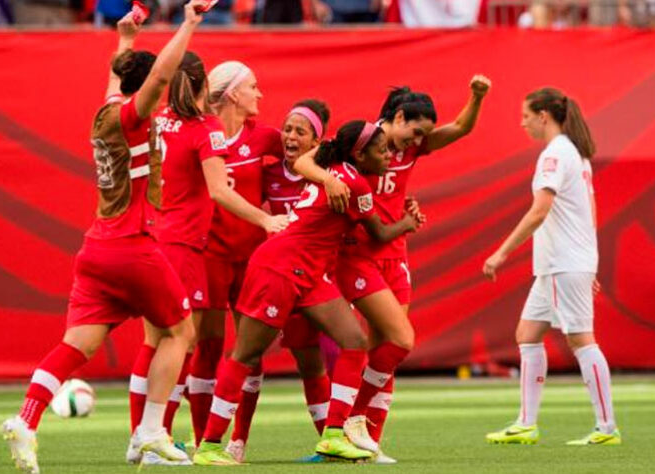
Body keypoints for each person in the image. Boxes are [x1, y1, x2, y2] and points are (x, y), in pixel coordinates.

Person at [1, 4, 207, 472]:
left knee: (77, 345)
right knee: (180, 332)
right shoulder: (133, 116)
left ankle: (26, 420)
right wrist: (190, 22)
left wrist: (126, 40)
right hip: (132, 245)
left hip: (96, 248)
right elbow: (158, 79)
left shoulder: (107, 110)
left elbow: (119, 81)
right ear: (147, 84)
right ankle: (152, 430)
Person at [192, 120, 422, 465]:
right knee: (245, 355)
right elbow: (378, 235)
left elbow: (307, 163)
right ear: (359, 154)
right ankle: (209, 446)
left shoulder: (333, 170)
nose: (389, 155)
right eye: (381, 150)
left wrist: (328, 177)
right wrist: (408, 223)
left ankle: (333, 436)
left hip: (308, 273)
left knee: (354, 342)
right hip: (279, 269)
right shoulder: (354, 183)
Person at [295, 76, 491, 462]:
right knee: (396, 340)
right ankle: (350, 422)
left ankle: (368, 441)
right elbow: (304, 161)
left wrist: (476, 95)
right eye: (415, 131)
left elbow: (462, 128)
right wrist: (329, 180)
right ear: (399, 116)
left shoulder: (413, 147)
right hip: (358, 253)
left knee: (389, 351)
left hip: (395, 254)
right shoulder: (363, 140)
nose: (416, 141)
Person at [126, 59, 289, 453]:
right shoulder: (203, 130)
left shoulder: (259, 137)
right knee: (189, 340)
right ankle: (164, 435)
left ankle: (221, 439)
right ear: (229, 92)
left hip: (223, 252)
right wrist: (267, 220)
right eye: (253, 85)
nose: (260, 93)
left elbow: (302, 157)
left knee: (191, 342)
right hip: (196, 249)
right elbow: (218, 191)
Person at [482, 87, 620, 446]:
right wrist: (590, 262)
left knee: (581, 339)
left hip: (563, 262)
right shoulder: (575, 153)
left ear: (544, 116)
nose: (522, 122)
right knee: (527, 334)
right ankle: (526, 423)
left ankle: (607, 428)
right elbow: (590, 210)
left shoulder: (555, 155)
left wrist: (501, 253)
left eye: (526, 115)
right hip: (562, 264)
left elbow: (539, 211)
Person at [223, 99, 335, 463]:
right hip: (272, 281)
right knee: (248, 356)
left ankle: (329, 443)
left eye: (300, 131)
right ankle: (234, 441)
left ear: (317, 140)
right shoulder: (267, 174)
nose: (289, 136)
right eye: (287, 129)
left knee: (312, 364)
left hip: (309, 280)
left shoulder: (328, 176)